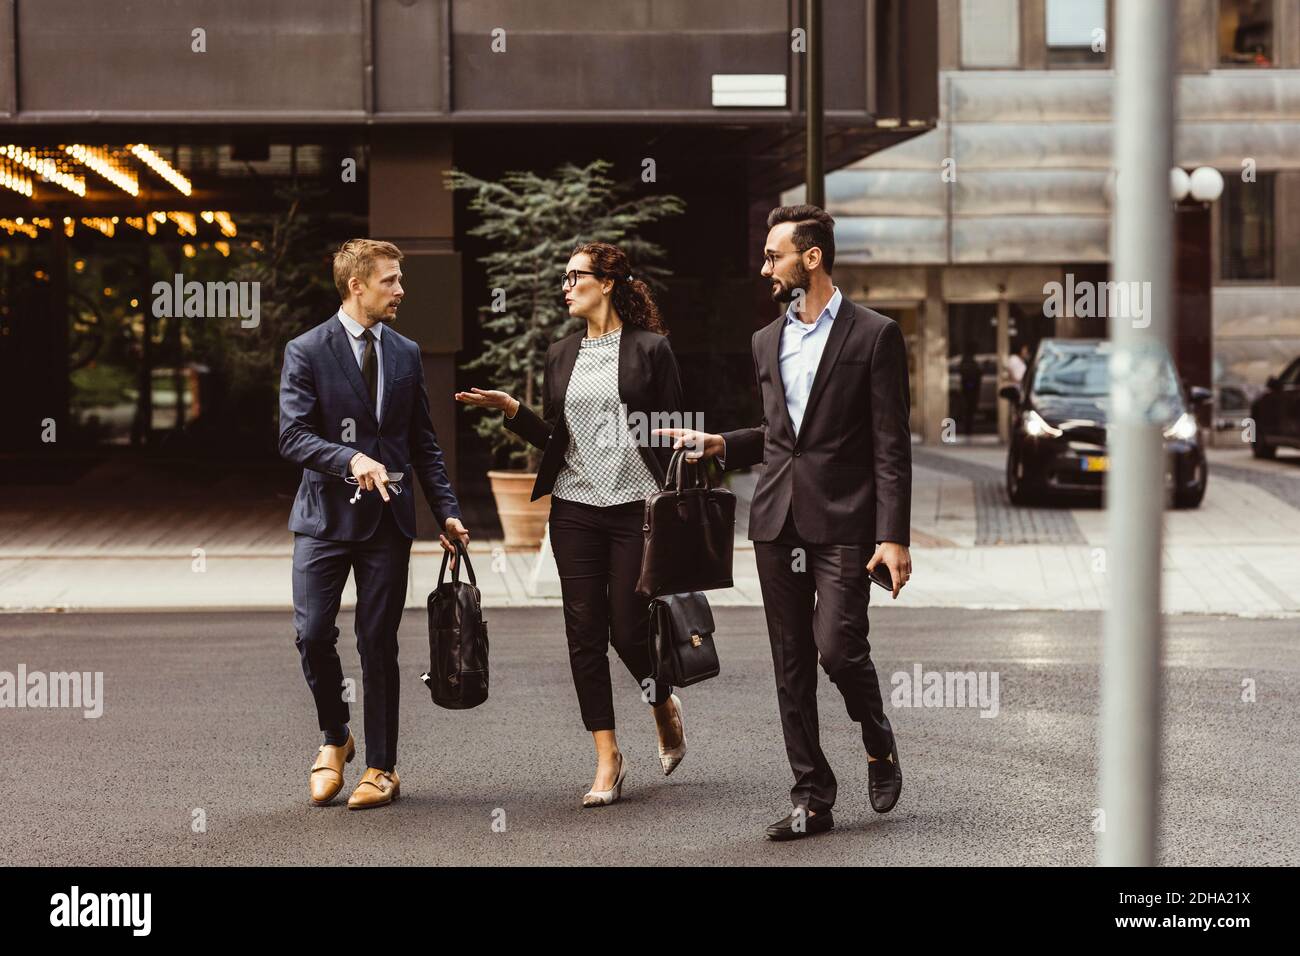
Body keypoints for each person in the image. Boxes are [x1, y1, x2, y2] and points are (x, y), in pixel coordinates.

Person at [656, 204, 911, 841]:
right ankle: (811, 797)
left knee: (838, 648)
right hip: (777, 519)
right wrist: (722, 444)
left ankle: (876, 735)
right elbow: (779, 435)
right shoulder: (765, 340)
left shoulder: (874, 335)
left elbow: (890, 443)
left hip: (846, 521)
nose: (764, 267)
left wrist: (895, 535)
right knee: (790, 660)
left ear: (812, 257)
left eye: (774, 255)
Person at [455, 241, 687, 808]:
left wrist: (680, 505)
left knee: (629, 628)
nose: (565, 285)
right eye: (563, 277)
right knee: (583, 631)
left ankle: (661, 703)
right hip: (575, 509)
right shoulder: (561, 353)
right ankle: (607, 756)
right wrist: (513, 410)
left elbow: (675, 434)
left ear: (607, 283)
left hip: (636, 506)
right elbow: (557, 440)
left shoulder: (652, 350)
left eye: (574, 276)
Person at [279, 239, 469, 810]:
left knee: (376, 642)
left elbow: (423, 443)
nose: (401, 290)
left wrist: (448, 510)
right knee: (312, 635)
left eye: (400, 279)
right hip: (324, 521)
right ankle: (335, 736)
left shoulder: (407, 352)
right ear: (356, 285)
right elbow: (292, 435)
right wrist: (350, 459)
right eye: (390, 280)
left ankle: (382, 767)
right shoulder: (307, 349)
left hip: (389, 521)